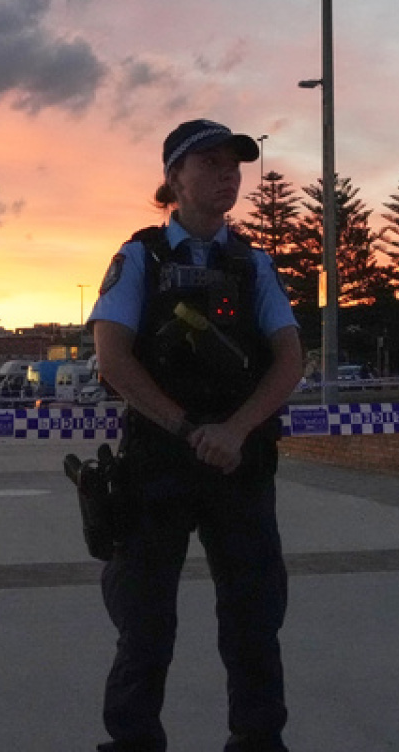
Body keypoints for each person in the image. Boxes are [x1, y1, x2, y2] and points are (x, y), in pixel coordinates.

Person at [86, 118, 305, 752]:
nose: (227, 175)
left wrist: (234, 431)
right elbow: (113, 361)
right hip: (158, 459)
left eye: (233, 164)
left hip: (238, 460)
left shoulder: (253, 264)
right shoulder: (139, 258)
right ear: (173, 178)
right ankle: (132, 741)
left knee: (255, 618)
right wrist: (187, 429)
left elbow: (289, 361)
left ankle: (258, 739)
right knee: (145, 622)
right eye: (208, 163)